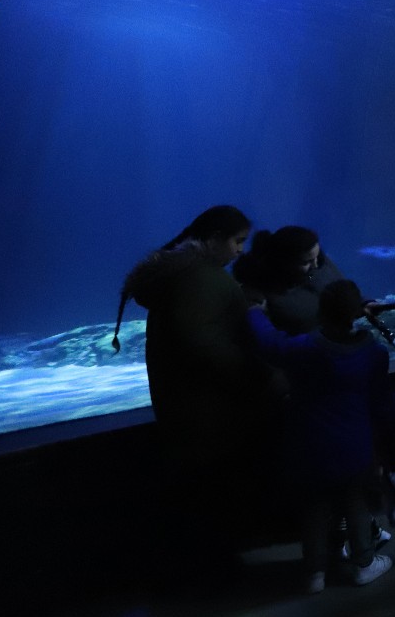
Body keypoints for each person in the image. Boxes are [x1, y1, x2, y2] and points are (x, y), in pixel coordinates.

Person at [119, 206, 281, 581]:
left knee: (195, 493)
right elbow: (203, 343)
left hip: (182, 408)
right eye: (237, 241)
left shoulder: (180, 275)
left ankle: (203, 570)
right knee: (212, 494)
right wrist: (259, 374)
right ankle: (214, 576)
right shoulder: (202, 280)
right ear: (214, 239)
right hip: (209, 412)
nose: (240, 250)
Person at [247, 279, 394, 592]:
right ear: (356, 313)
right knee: (356, 502)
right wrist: (384, 448)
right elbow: (381, 406)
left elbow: (269, 342)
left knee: (314, 507)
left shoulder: (304, 349)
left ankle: (314, 573)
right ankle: (364, 564)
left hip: (309, 445)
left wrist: (255, 312)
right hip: (355, 446)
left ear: (321, 312)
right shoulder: (375, 354)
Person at [233, 226, 345, 335]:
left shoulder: (318, 264)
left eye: (317, 256)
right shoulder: (261, 294)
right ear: (286, 263)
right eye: (306, 262)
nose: (315, 265)